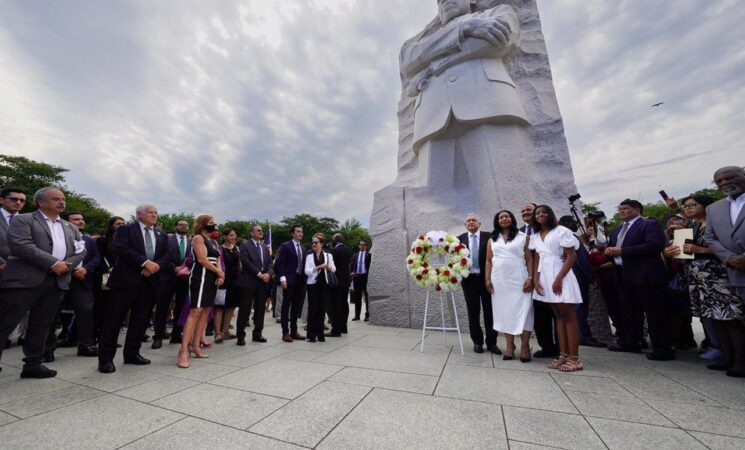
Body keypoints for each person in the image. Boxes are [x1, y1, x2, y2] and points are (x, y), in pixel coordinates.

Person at [399, 0, 532, 218]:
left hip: (488, 103)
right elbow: (408, 60)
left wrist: (434, 65)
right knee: (433, 208)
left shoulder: (497, 12)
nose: (445, 1)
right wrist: (465, 29)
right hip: (432, 116)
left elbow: (497, 43)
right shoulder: (422, 41)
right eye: (439, 0)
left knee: (504, 193)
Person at [0, 187, 85, 378]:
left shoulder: (70, 227)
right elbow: (21, 245)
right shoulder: (24, 219)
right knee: (5, 322)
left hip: (56, 281)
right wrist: (52, 263)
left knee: (42, 324)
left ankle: (33, 364)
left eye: (63, 198)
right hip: (25, 281)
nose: (62, 202)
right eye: (56, 199)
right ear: (41, 202)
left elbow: (81, 250)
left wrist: (66, 265)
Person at [98, 204, 174, 374]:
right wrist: (144, 262)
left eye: (156, 212)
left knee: (140, 320)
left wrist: (154, 266)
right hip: (125, 282)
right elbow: (122, 249)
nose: (154, 215)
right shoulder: (126, 229)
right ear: (139, 214)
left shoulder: (160, 234)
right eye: (150, 212)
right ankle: (106, 359)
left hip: (150, 282)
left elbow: (167, 255)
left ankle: (132, 354)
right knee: (113, 320)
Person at [605, 199, 674, 360]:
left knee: (655, 312)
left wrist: (623, 251)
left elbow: (654, 245)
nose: (622, 211)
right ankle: (631, 341)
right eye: (620, 209)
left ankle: (662, 347)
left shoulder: (649, 225)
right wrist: (608, 251)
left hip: (646, 274)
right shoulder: (617, 230)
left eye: (626, 208)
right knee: (629, 310)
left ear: (637, 210)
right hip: (623, 274)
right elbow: (613, 247)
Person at [529, 205, 584, 372]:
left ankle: (575, 359)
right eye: (537, 213)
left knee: (568, 316)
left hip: (561, 276)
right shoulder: (536, 236)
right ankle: (563, 355)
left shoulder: (561, 231)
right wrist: (536, 280)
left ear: (550, 214)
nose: (540, 215)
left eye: (544, 212)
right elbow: (537, 258)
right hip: (545, 277)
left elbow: (571, 256)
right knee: (558, 317)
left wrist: (559, 278)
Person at [704, 166, 745, 377]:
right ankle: (733, 358)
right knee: (733, 319)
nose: (724, 183)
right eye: (719, 181)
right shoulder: (714, 208)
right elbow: (710, 237)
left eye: (730, 178)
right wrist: (728, 258)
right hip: (730, 270)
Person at [48, 211, 100, 357]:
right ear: (67, 222)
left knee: (86, 312)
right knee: (52, 314)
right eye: (76, 219)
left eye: (82, 219)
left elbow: (96, 258)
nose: (80, 221)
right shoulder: (58, 236)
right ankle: (47, 350)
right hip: (60, 278)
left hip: (82, 281)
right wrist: (71, 269)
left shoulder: (88, 239)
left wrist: (85, 269)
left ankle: (85, 345)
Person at [485, 210, 533, 361]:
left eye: (507, 216)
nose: (504, 219)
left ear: (512, 219)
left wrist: (531, 278)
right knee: (505, 313)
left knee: (525, 311)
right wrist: (487, 279)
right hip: (499, 281)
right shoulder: (492, 239)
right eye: (501, 217)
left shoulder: (523, 237)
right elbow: (488, 260)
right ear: (497, 221)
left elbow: (530, 259)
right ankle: (510, 346)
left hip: (519, 279)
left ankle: (525, 346)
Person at [177, 215, 223, 368]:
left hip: (212, 279)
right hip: (200, 277)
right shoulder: (198, 238)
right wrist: (218, 271)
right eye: (210, 223)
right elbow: (202, 259)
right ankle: (183, 350)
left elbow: (218, 259)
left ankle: (196, 345)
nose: (214, 225)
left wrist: (220, 274)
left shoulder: (214, 242)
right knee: (195, 311)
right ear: (203, 225)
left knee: (205, 312)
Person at [558, 215, 604, 348]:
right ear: (567, 224)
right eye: (574, 222)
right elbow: (581, 260)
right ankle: (583, 336)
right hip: (578, 276)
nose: (577, 224)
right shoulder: (570, 237)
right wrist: (592, 277)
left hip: (571, 276)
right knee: (580, 307)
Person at [520, 202, 559, 358]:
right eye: (522, 211)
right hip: (533, 279)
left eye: (529, 210)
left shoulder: (550, 229)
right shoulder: (520, 233)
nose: (525, 212)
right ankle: (547, 347)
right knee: (540, 315)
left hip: (551, 276)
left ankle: (562, 347)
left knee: (556, 314)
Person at [458, 213, 500, 354]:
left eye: (474, 220)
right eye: (468, 220)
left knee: (490, 312)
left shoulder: (490, 236)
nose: (471, 222)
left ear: (479, 223)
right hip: (469, 281)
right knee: (473, 313)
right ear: (465, 225)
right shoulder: (459, 240)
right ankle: (477, 342)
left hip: (487, 279)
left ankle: (492, 343)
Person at [152, 219, 191, 349]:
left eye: (186, 225)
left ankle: (176, 334)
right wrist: (174, 268)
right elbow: (162, 256)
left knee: (180, 307)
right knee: (162, 307)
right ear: (176, 226)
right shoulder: (167, 239)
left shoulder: (191, 242)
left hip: (184, 279)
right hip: (167, 277)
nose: (184, 227)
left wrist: (186, 268)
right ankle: (158, 336)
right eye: (181, 224)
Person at [235, 224, 272, 345]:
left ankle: (257, 333)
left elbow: (270, 263)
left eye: (262, 230)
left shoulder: (265, 247)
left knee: (260, 309)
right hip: (249, 281)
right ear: (251, 233)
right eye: (258, 230)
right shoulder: (245, 245)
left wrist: (268, 274)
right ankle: (240, 335)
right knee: (245, 309)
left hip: (263, 283)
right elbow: (245, 261)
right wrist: (259, 274)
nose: (261, 232)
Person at [0, 188, 26, 352]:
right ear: (2, 199)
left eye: (22, 200)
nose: (18, 203)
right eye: (14, 199)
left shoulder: (27, 220)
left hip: (20, 274)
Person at [93, 216, 125, 343]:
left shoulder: (127, 241)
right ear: (111, 225)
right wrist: (107, 269)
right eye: (118, 224)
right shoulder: (102, 240)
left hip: (121, 278)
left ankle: (108, 338)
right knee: (100, 308)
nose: (121, 225)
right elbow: (98, 257)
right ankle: (95, 335)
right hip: (105, 277)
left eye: (123, 223)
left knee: (114, 311)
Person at [274, 225, 306, 342]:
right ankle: (285, 332)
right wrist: (282, 278)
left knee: (296, 307)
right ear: (292, 233)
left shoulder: (303, 248)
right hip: (288, 280)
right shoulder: (285, 246)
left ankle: (294, 331)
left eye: (301, 232)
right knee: (286, 306)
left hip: (299, 280)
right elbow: (280, 263)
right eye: (298, 231)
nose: (300, 234)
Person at [304, 233, 336, 342]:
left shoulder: (328, 255)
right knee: (312, 309)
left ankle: (320, 334)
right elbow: (307, 271)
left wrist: (328, 266)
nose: (314, 244)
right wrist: (317, 267)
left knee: (321, 309)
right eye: (312, 242)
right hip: (312, 285)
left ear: (321, 244)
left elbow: (334, 269)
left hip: (324, 284)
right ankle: (311, 335)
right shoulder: (309, 255)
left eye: (316, 242)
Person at [214, 228, 240, 343]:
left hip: (235, 280)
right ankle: (218, 333)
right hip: (223, 280)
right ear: (224, 237)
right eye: (230, 235)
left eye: (234, 235)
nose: (233, 237)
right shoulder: (219, 249)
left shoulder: (236, 248)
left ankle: (226, 330)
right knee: (220, 307)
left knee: (231, 306)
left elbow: (239, 264)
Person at [329, 233, 352, 336]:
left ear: (336, 240)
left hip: (337, 282)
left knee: (336, 305)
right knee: (344, 303)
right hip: (346, 281)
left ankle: (336, 329)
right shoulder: (347, 250)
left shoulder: (335, 251)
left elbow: (332, 266)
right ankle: (343, 327)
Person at [350, 240, 372, 321]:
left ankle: (367, 315)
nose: (362, 246)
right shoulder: (355, 255)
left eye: (364, 244)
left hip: (366, 277)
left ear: (366, 246)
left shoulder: (369, 255)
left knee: (366, 297)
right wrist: (351, 272)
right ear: (359, 246)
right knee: (357, 297)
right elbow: (351, 265)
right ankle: (357, 315)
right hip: (357, 277)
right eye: (361, 244)